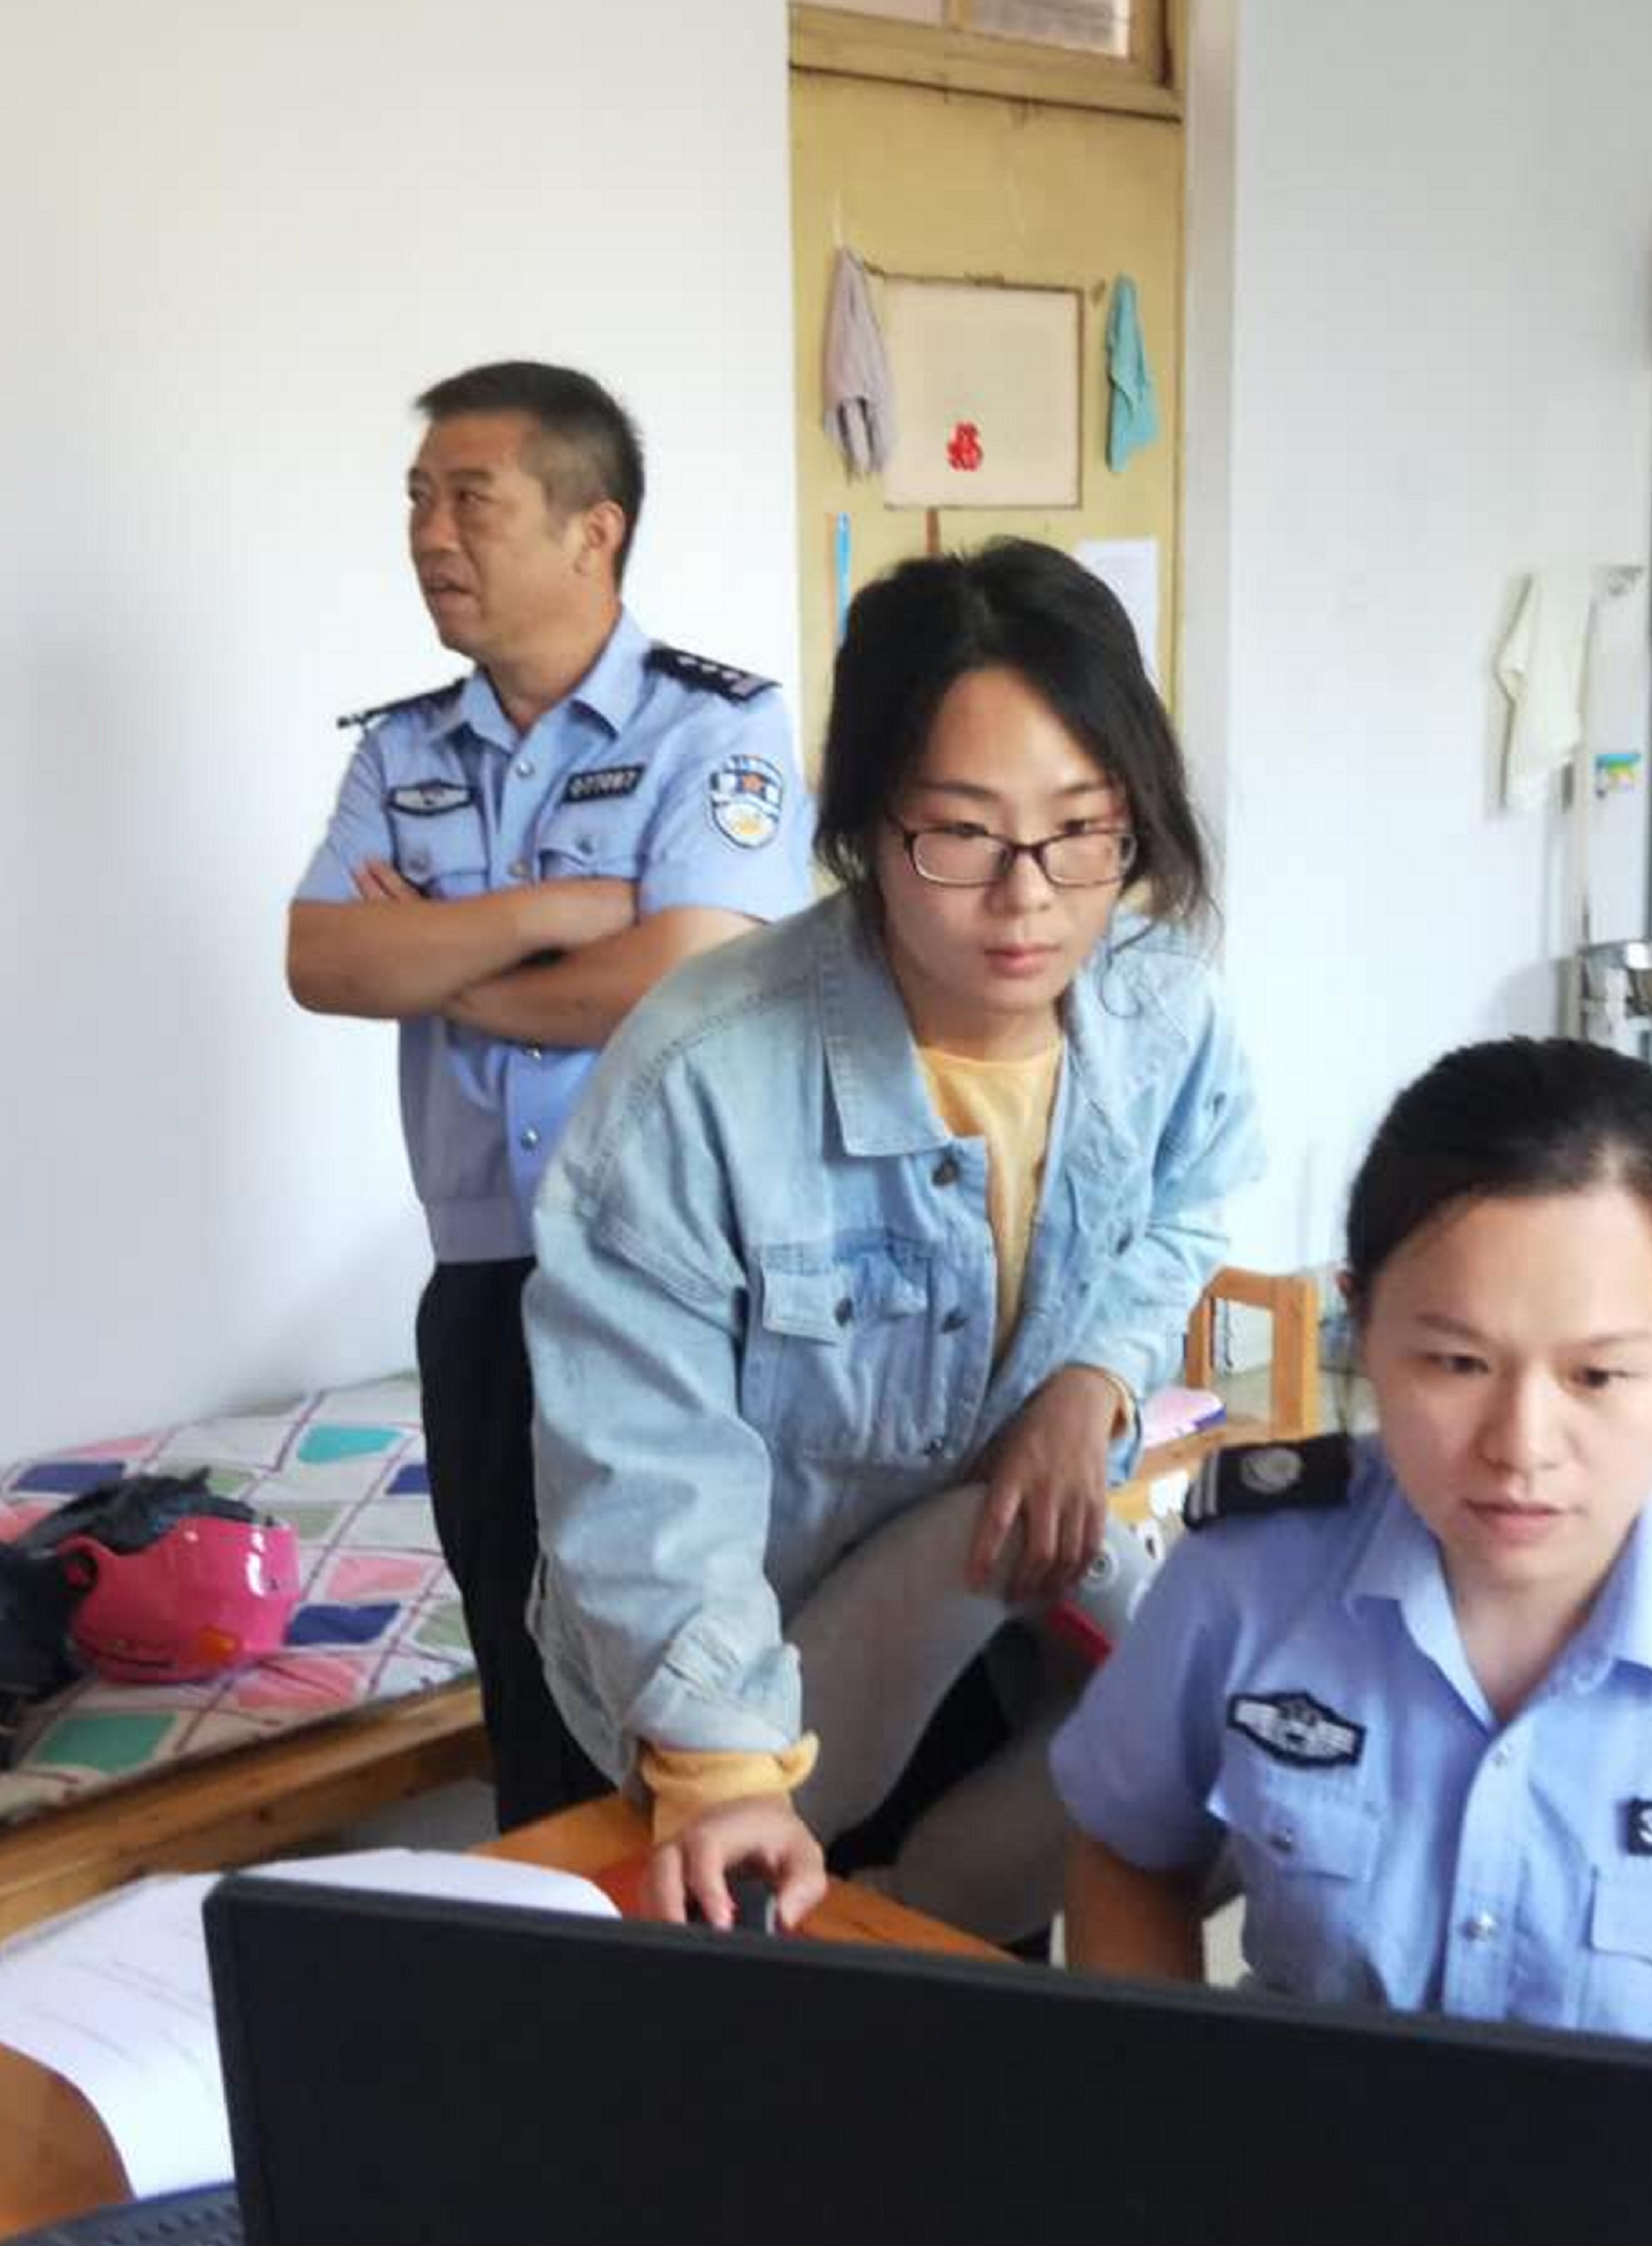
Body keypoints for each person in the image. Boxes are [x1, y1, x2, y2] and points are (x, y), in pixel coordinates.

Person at [1052, 1037, 1652, 2076]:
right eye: (1456, 1362)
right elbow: (1125, 1848)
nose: (1521, 1446)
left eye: (1598, 1376)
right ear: (1362, 1326)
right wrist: (1169, 2107)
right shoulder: (1246, 1579)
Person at [525, 538, 1258, 1935]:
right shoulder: (703, 1078)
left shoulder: (1164, 1008)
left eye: (1082, 830)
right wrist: (723, 1770)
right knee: (744, 1976)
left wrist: (1094, 1378)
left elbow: (1189, 1199)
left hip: (981, 1612)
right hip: (724, 1639)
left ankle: (927, 1915)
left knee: (1190, 1779)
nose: (1029, 897)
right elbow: (649, 1468)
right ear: (867, 823)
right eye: (963, 835)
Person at [288, 361, 811, 1828]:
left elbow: (687, 974)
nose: (429, 535)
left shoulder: (715, 730)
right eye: (417, 500)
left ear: (595, 530)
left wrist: (444, 968)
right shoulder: (404, 747)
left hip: (680, 1289)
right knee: (525, 1686)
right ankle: (561, 1936)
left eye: (472, 500)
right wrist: (553, 913)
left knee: (686, 1676)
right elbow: (324, 960)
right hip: (484, 1289)